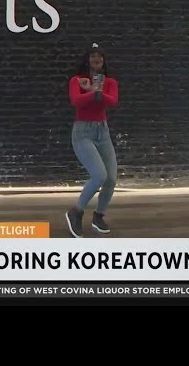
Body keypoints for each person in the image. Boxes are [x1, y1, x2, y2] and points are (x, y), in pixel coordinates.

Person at [65, 43, 119, 238]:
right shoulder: (76, 80)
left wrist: (96, 90)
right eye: (93, 56)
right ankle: (76, 211)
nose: (97, 59)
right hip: (83, 132)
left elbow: (112, 101)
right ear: (87, 60)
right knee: (99, 175)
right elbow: (76, 101)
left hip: (102, 132)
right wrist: (91, 91)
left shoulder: (110, 82)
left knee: (111, 179)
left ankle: (99, 216)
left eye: (100, 56)